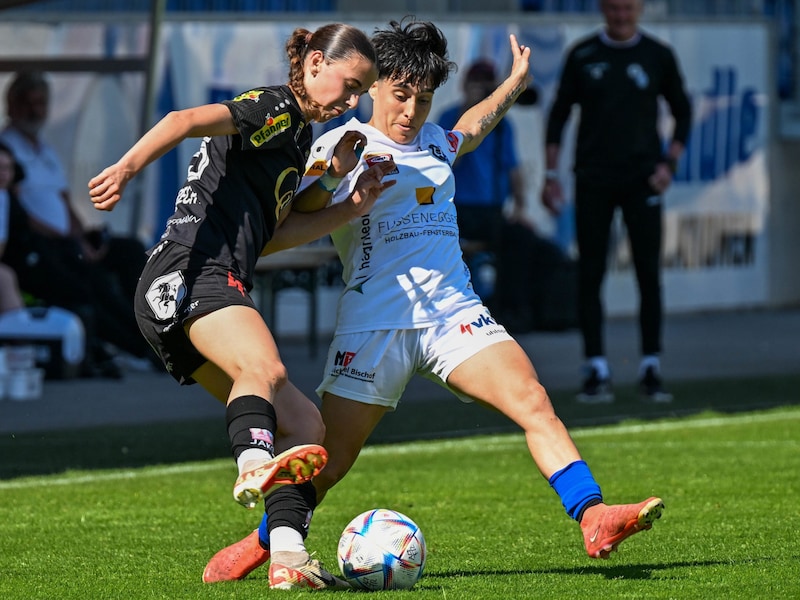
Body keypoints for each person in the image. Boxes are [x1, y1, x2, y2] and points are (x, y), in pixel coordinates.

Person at [203, 19, 665, 586]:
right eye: (400, 95)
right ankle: (267, 540)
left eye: (423, 100)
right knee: (330, 457)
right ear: (372, 86)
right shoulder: (340, 146)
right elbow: (290, 220)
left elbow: (470, 127)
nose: (411, 111)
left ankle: (592, 514)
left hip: (454, 315)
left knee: (532, 399)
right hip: (375, 324)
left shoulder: (435, 142)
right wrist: (337, 182)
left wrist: (515, 83)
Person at [88, 23, 395, 590]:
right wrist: (128, 168)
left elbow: (273, 235)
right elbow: (183, 121)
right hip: (194, 272)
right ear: (311, 64)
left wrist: (349, 200)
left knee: (304, 423)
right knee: (265, 370)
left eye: (361, 94)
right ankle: (252, 463)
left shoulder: (296, 136)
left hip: (173, 292)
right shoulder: (275, 106)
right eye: (349, 86)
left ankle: (288, 555)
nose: (352, 103)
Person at [541, 0, 692, 404]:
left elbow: (683, 112)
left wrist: (669, 165)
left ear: (639, 9)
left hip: (643, 179)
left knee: (647, 274)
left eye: (628, 8)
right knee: (590, 274)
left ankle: (651, 367)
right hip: (593, 179)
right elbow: (558, 115)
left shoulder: (657, 55)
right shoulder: (584, 54)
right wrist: (552, 175)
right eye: (614, 8)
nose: (621, 15)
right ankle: (595, 367)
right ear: (603, 9)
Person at [1, 70, 154, 376]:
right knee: (90, 286)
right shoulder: (7, 150)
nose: (35, 110)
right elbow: (16, 211)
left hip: (67, 239)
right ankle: (139, 349)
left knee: (130, 252)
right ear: (12, 106)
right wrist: (64, 238)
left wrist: (81, 235)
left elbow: (63, 199)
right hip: (38, 245)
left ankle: (158, 331)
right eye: (28, 103)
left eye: (40, 103)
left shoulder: (43, 149)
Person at [438, 59, 568, 332]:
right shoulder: (449, 118)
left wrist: (520, 206)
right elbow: (446, 164)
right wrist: (467, 113)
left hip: (491, 210)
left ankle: (511, 309)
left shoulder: (501, 125)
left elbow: (513, 169)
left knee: (520, 241)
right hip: (455, 209)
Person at [0, 143, 25, 314]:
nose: (4, 174)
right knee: (5, 278)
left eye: (8, 168)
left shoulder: (3, 197)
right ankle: (19, 338)